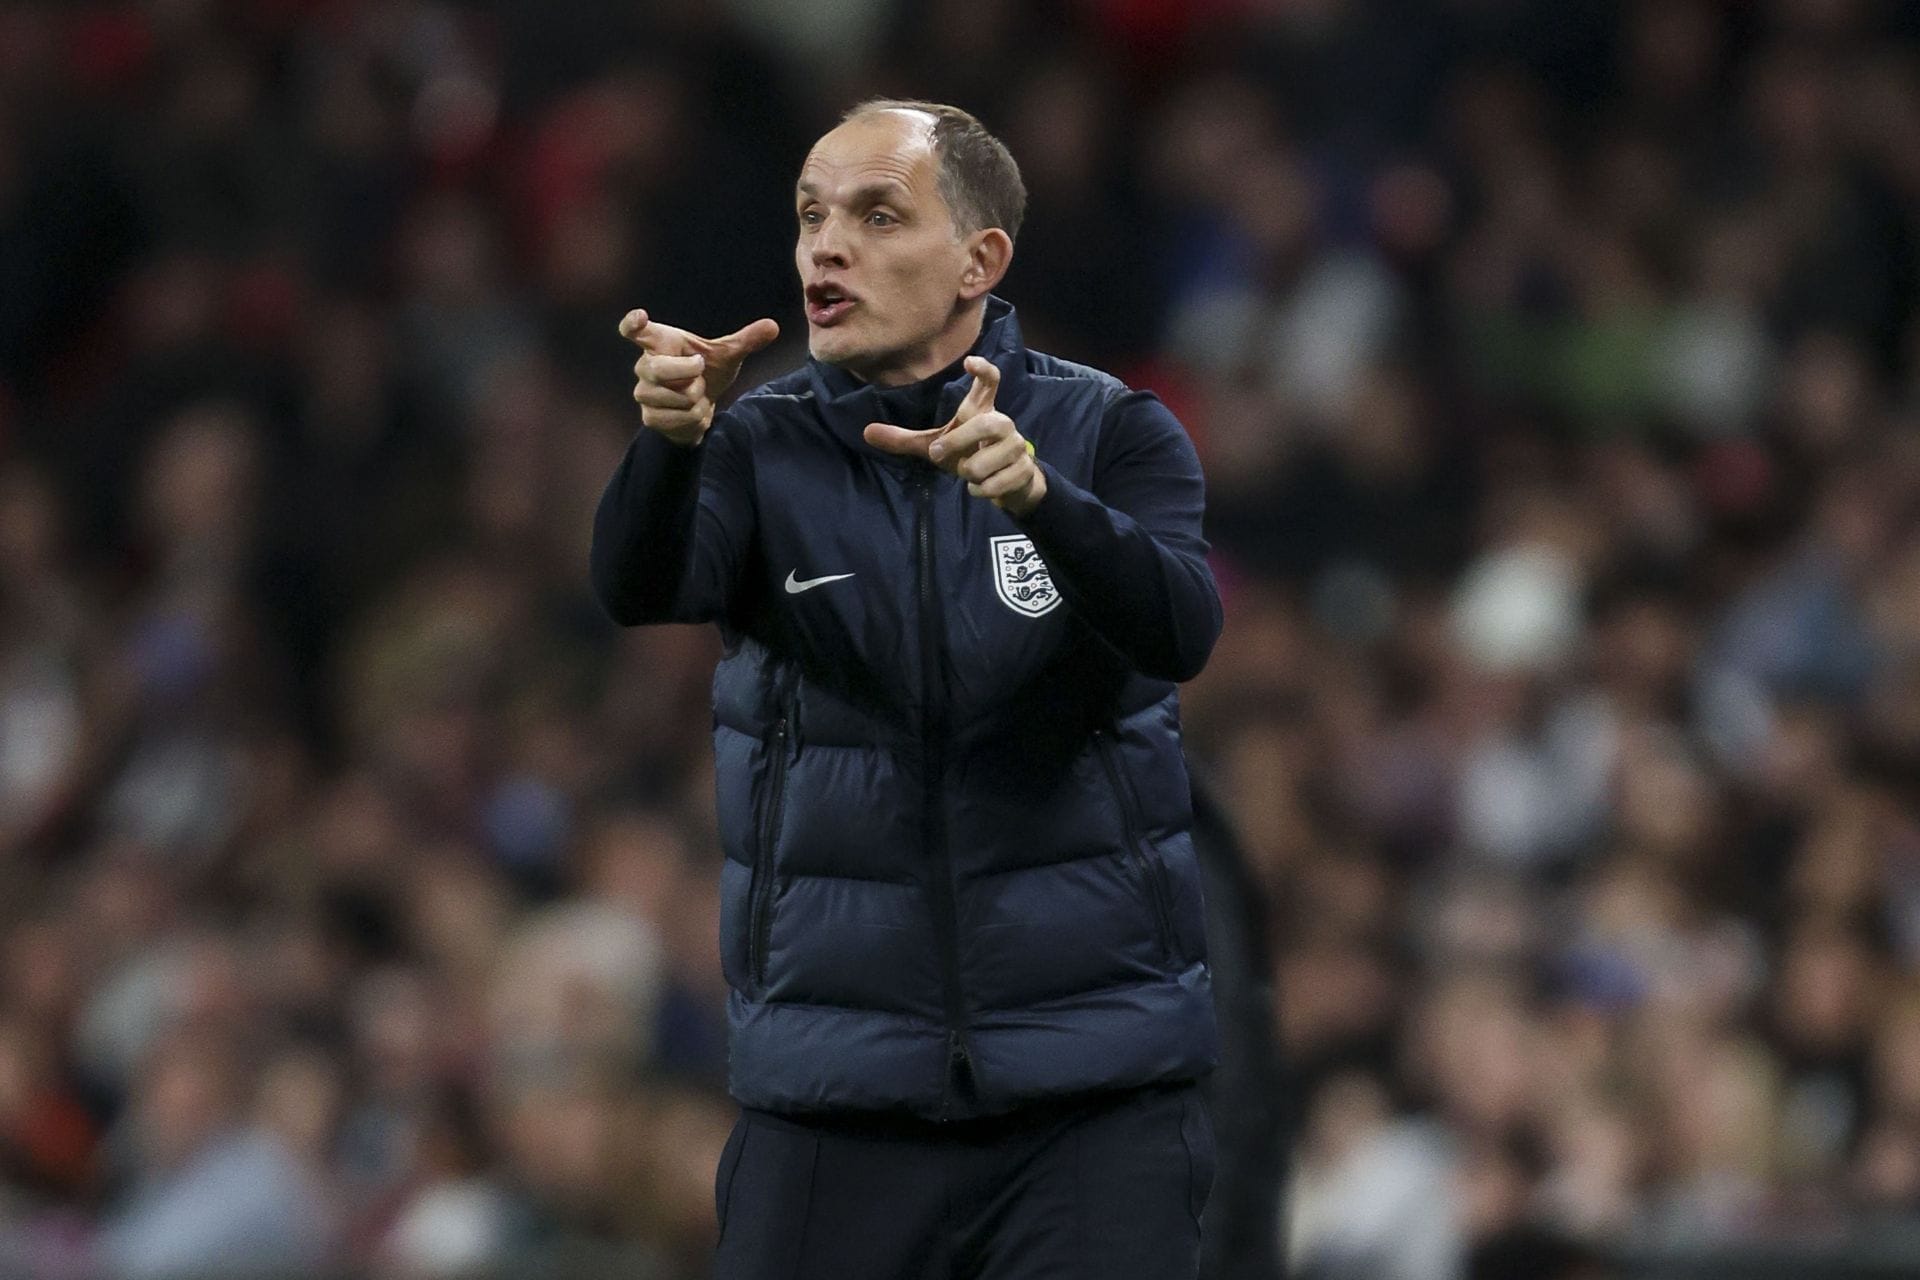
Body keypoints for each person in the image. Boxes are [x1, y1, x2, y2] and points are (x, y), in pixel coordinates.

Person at [590, 99, 1224, 1280]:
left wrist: (1047, 508)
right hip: (837, 1094)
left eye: (879, 214)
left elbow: (1181, 625)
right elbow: (640, 585)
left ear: (980, 259)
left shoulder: (1110, 432)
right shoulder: (756, 447)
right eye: (812, 215)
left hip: (1089, 1095)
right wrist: (669, 447)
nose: (827, 245)